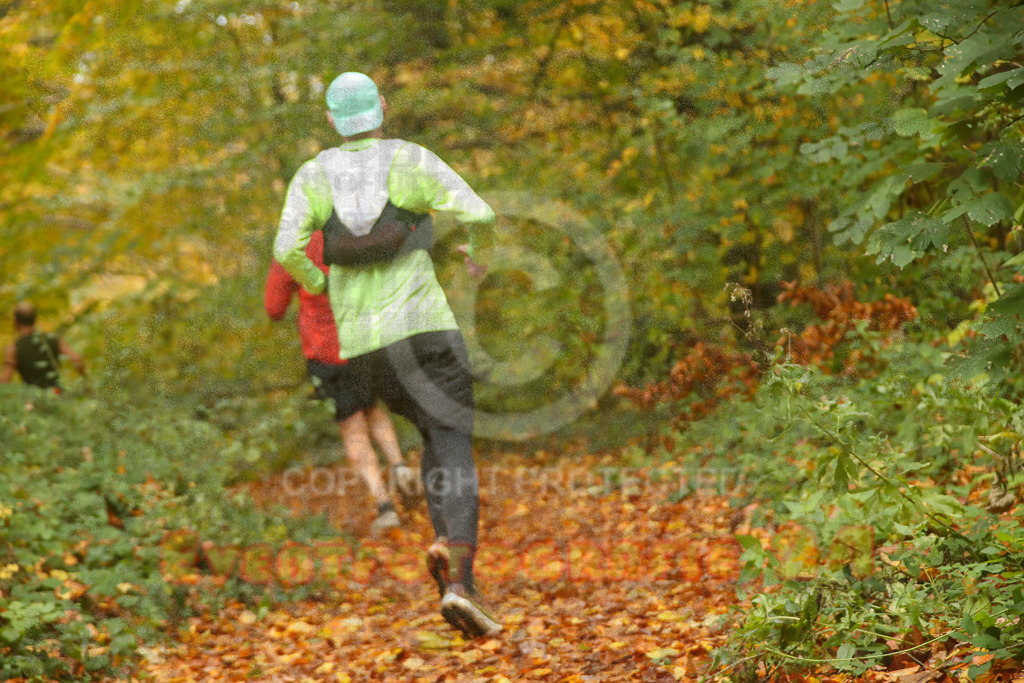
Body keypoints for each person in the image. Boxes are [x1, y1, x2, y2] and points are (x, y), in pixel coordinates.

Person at [272, 71, 501, 637]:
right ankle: (461, 582)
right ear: (382, 108)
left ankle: (444, 542)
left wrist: (316, 282)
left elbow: (285, 248)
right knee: (451, 440)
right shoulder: (410, 160)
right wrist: (478, 254)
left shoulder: (313, 175)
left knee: (429, 432)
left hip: (366, 349)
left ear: (331, 121)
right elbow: (481, 213)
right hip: (424, 330)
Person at [264, 230, 420, 536]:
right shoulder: (346, 230)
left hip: (324, 352)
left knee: (352, 427)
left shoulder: (290, 247)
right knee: (373, 409)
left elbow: (274, 307)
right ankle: (399, 465)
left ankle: (385, 505)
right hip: (364, 341)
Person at [1, 302, 85, 391]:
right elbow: (77, 359)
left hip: (33, 399)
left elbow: (5, 380)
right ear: (35, 319)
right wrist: (85, 382)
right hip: (57, 394)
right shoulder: (53, 338)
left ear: (16, 322)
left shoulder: (13, 348)